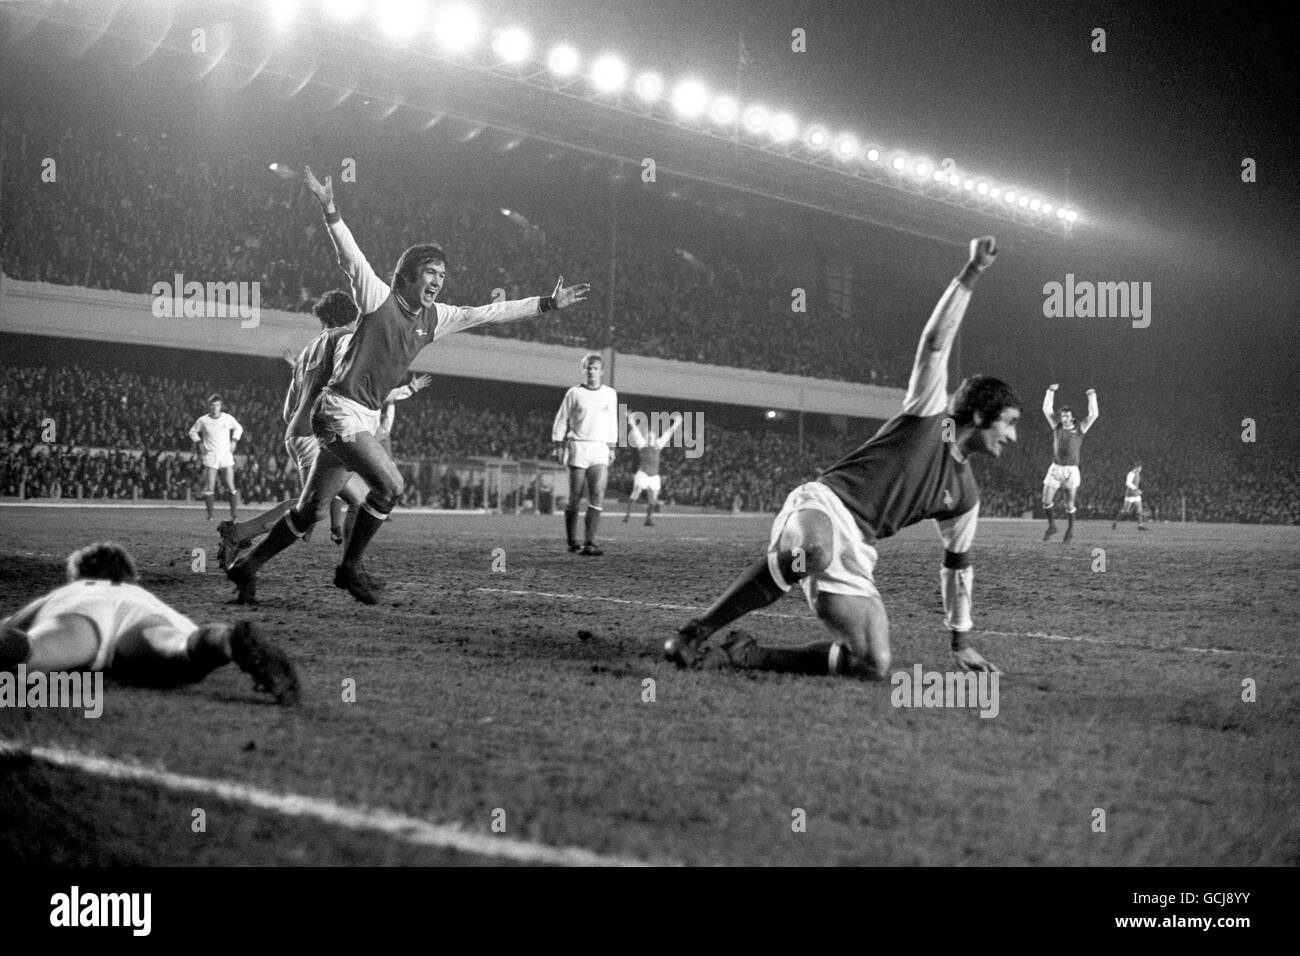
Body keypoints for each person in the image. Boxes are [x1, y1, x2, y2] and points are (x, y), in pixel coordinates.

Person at [226, 165, 589, 604]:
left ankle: (246, 566)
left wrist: (547, 303)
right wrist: (331, 211)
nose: (437, 281)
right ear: (409, 275)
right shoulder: (377, 298)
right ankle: (349, 569)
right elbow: (350, 258)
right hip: (339, 411)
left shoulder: (435, 318)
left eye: (441, 274)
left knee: (307, 512)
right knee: (392, 487)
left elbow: (488, 312)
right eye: (430, 272)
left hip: (360, 416)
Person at [664, 237, 1016, 679]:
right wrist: (971, 273)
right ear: (981, 415)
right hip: (824, 506)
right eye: (1009, 421)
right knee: (813, 551)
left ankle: (750, 655)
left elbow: (958, 566)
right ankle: (695, 631)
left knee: (873, 664)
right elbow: (934, 344)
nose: (1013, 435)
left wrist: (961, 643)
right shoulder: (931, 415)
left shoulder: (966, 496)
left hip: (858, 548)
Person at [0, 542, 298, 705]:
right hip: (142, 618)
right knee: (178, 647)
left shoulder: (77, 590)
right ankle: (227, 639)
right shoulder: (141, 596)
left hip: (84, 613)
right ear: (129, 576)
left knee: (32, 652)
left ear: (80, 576)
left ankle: (225, 641)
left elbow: (15, 624)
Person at [552, 353, 618, 555]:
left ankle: (590, 542)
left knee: (598, 493)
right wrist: (558, 443)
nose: (591, 371)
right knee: (575, 496)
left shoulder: (610, 393)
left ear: (602, 371)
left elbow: (612, 420)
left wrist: (613, 446)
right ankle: (572, 541)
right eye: (588, 368)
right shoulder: (574, 393)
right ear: (584, 370)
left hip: (600, 447)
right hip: (578, 446)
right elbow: (562, 419)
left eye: (595, 368)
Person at [1041, 384, 1099, 544]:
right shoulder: (1057, 426)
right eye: (1062, 416)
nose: (1063, 418)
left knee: (1070, 503)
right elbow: (1047, 410)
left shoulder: (1080, 428)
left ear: (1072, 418)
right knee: (1046, 501)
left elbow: (1093, 414)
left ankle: (1070, 530)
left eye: (1067, 416)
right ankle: (1052, 526)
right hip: (1055, 468)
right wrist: (1050, 391)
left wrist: (1091, 396)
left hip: (1071, 470)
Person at [188, 394, 243, 522]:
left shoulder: (227, 418)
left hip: (225, 454)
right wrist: (199, 443)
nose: (215, 408)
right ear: (209, 406)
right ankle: (210, 516)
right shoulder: (203, 420)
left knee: (230, 485)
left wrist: (234, 440)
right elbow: (192, 431)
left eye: (217, 405)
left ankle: (234, 515)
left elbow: (239, 428)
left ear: (220, 406)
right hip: (211, 455)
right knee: (210, 486)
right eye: (212, 405)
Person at [623, 412, 683, 526]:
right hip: (643, 473)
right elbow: (635, 432)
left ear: (654, 437)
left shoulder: (658, 444)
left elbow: (668, 433)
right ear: (646, 437)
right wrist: (630, 419)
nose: (650, 437)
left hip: (654, 475)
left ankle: (648, 519)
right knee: (635, 493)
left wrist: (677, 423)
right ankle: (627, 515)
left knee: (653, 499)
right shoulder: (642, 444)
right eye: (648, 436)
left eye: (651, 436)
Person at [1112, 462, 1150, 530]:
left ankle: (1140, 526)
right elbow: (1128, 483)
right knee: (1126, 511)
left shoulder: (1138, 474)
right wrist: (1136, 489)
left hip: (1136, 495)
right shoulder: (1131, 473)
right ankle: (1115, 522)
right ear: (1136, 467)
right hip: (1130, 494)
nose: (1141, 469)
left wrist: (1137, 490)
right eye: (1140, 467)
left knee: (1139, 511)